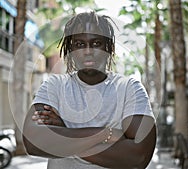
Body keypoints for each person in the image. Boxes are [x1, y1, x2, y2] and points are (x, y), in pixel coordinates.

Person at [22, 11, 156, 169]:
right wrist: (106, 134)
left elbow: (138, 157)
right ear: (70, 49)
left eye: (96, 43)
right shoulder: (54, 85)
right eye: (79, 44)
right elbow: (33, 143)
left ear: (109, 47)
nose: (87, 51)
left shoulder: (129, 88)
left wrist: (64, 135)